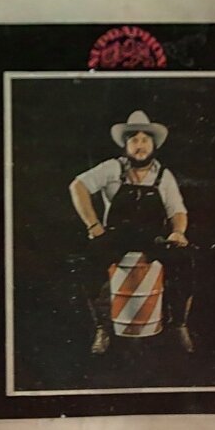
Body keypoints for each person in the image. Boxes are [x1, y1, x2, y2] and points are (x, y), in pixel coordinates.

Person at [69, 109, 194, 355]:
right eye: (134, 140)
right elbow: (77, 186)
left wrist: (178, 232)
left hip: (153, 238)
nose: (140, 145)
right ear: (126, 145)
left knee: (184, 260)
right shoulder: (112, 168)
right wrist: (93, 225)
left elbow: (178, 210)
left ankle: (179, 324)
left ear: (153, 145)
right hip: (116, 237)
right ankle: (102, 328)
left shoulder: (164, 176)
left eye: (145, 140)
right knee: (90, 262)